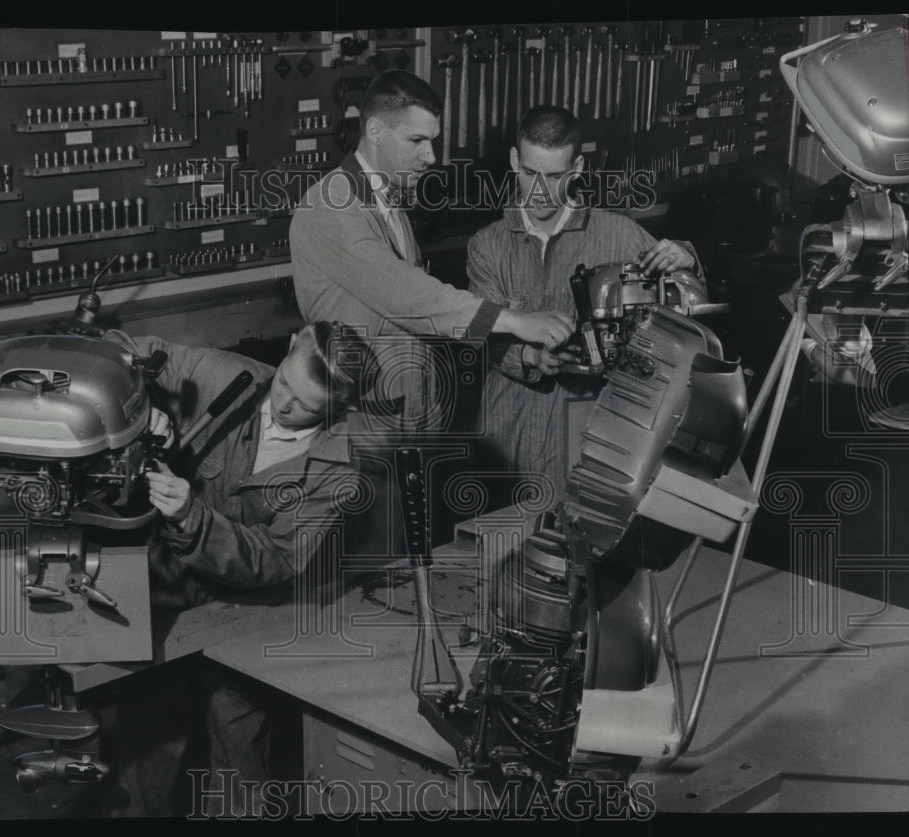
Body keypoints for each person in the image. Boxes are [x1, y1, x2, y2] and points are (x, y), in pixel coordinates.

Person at [101, 322, 379, 818]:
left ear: (343, 406)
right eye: (285, 384)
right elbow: (119, 350)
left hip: (250, 608)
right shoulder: (227, 376)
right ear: (292, 343)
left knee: (240, 743)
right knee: (150, 739)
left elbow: (277, 558)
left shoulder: (339, 468)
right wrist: (144, 410)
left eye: (307, 407)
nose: (285, 406)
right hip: (169, 587)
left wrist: (192, 518)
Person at [290, 70, 575, 433]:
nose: (430, 156)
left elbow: (416, 316)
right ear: (375, 131)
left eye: (433, 140)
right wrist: (514, 321)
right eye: (417, 140)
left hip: (405, 410)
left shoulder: (386, 202)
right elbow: (407, 296)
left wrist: (515, 341)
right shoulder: (332, 206)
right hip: (359, 421)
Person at [467, 105, 704, 501]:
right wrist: (527, 357)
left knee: (587, 544)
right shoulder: (487, 246)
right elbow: (481, 334)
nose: (540, 190)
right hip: (509, 434)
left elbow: (688, 310)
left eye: (556, 176)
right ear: (513, 161)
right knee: (507, 550)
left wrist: (685, 259)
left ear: (576, 168)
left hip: (594, 428)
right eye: (529, 173)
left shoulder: (619, 235)